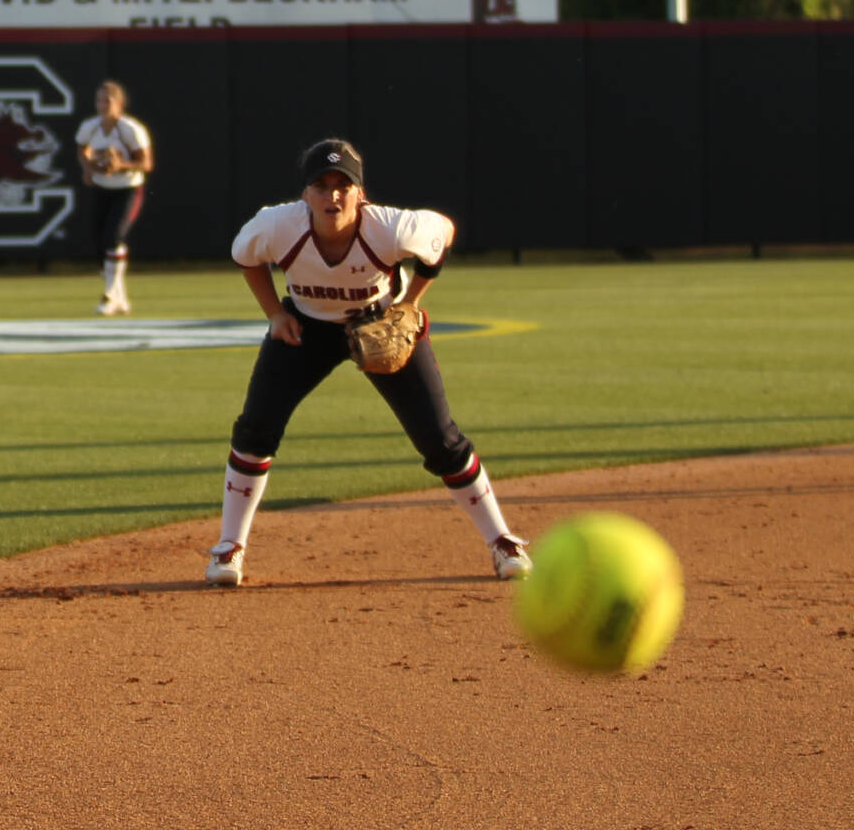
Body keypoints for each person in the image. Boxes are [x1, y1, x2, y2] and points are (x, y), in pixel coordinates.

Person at [205, 138, 530, 586]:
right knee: (255, 429)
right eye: (322, 185)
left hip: (380, 322)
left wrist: (410, 305)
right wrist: (275, 315)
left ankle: (502, 542)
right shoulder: (278, 226)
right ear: (306, 194)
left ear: (361, 193)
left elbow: (442, 236)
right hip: (307, 328)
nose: (332, 195)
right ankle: (229, 549)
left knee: (439, 439)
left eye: (344, 185)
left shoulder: (391, 229)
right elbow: (245, 256)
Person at [75, 81, 154, 316]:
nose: (102, 105)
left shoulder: (130, 129)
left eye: (107, 101)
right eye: (99, 100)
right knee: (99, 242)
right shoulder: (90, 127)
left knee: (114, 235)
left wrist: (120, 165)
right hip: (102, 188)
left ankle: (109, 295)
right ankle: (119, 296)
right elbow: (81, 150)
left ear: (119, 104)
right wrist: (89, 167)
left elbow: (146, 163)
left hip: (127, 188)